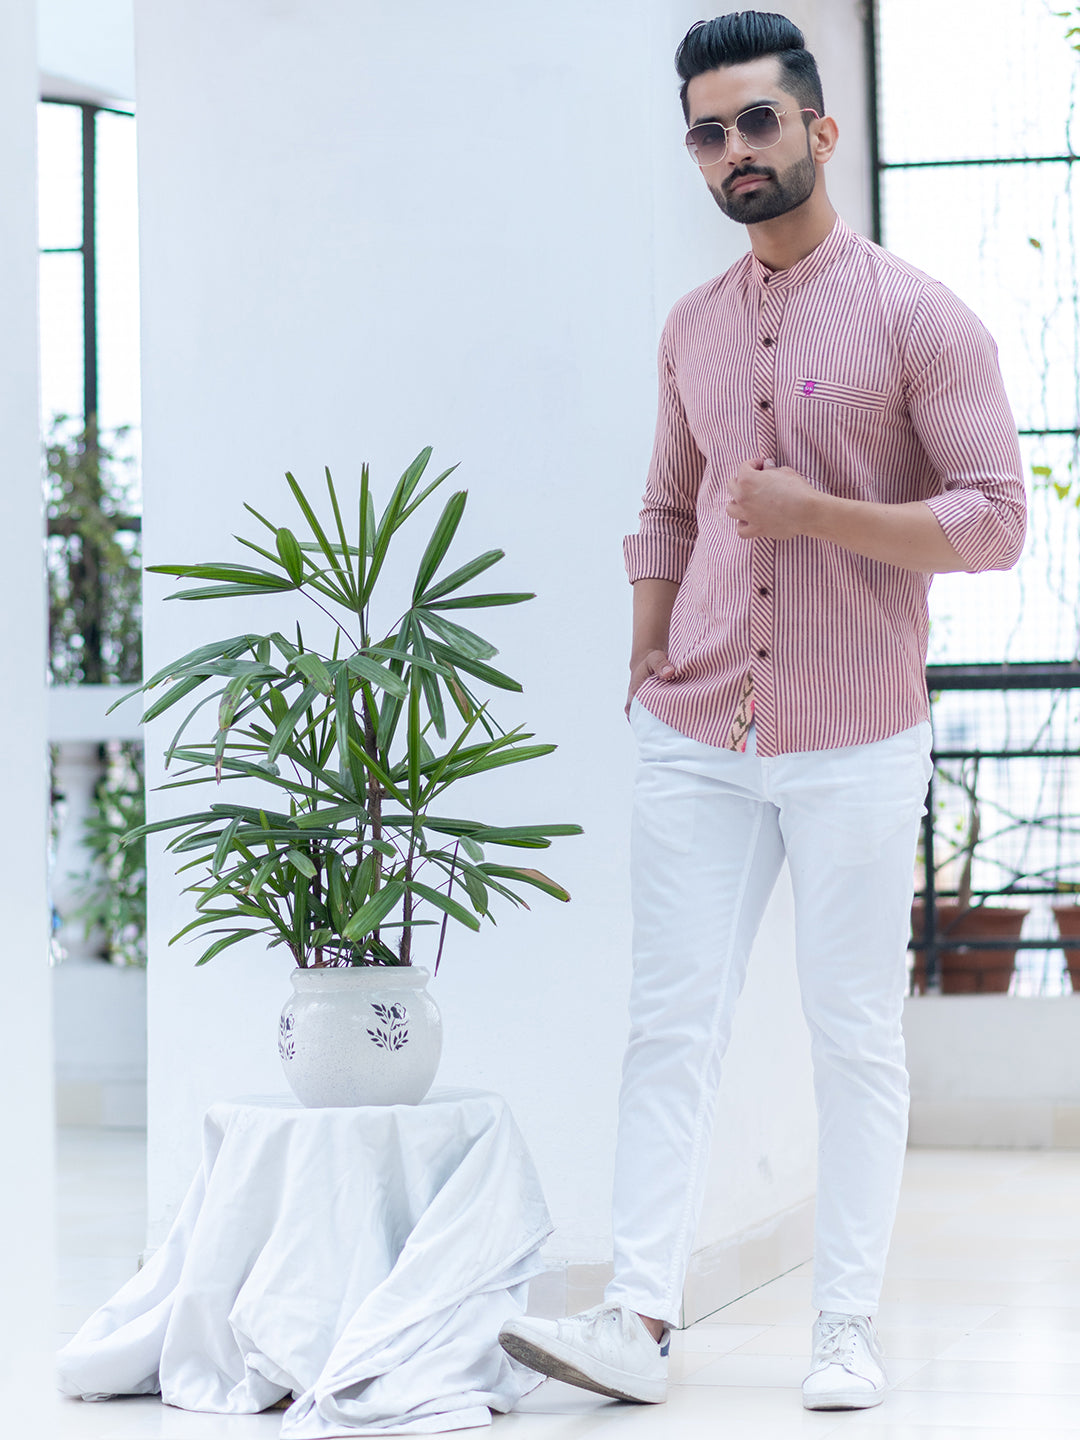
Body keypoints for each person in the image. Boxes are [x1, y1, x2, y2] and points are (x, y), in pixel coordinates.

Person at [499, 8, 1026, 1414]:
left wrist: (819, 515)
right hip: (698, 731)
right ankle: (637, 1318)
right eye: (707, 131)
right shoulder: (690, 328)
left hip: (856, 733)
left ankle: (844, 1326)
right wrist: (645, 651)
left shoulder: (923, 319)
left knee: (851, 1032)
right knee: (668, 1025)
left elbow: (995, 526)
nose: (732, 150)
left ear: (818, 130)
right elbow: (667, 506)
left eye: (755, 122)